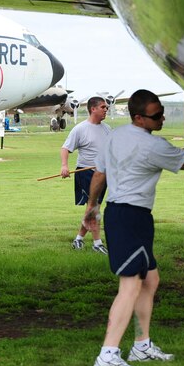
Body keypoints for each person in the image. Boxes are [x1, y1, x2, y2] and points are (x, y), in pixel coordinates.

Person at [83, 89, 184, 366]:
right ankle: (107, 355)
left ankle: (141, 346)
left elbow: (100, 173)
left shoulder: (116, 136)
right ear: (138, 117)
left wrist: (93, 206)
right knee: (130, 285)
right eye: (156, 115)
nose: (162, 118)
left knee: (150, 279)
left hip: (131, 216)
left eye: (162, 112)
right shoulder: (154, 147)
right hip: (128, 217)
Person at [60, 96, 111, 253]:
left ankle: (79, 239)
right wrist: (64, 166)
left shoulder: (107, 129)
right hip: (86, 173)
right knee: (93, 207)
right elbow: (65, 148)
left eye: (106, 108)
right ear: (93, 109)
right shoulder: (80, 129)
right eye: (103, 107)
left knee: (93, 207)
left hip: (103, 172)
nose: (106, 110)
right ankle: (97, 243)